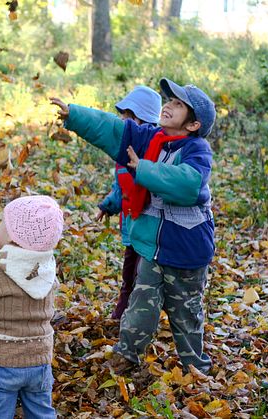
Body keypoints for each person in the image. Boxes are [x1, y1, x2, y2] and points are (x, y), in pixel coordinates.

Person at [50, 78, 216, 374]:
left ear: (193, 125)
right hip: (152, 250)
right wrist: (74, 115)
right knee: (141, 305)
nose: (168, 105)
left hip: (186, 253)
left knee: (185, 315)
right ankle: (126, 357)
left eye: (178, 104)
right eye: (169, 100)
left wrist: (144, 168)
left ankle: (197, 369)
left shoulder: (197, 151)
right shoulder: (149, 138)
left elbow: (188, 186)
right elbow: (115, 130)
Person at [0, 195, 64, 418]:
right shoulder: (47, 269)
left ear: (12, 235)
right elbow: (50, 308)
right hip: (40, 357)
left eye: (3, 223)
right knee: (41, 411)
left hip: (2, 360)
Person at [95, 85, 161, 320]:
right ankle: (122, 311)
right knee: (128, 274)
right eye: (123, 116)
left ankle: (141, 315)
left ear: (142, 121)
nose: (123, 121)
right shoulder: (122, 159)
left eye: (128, 117)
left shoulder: (155, 154)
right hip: (130, 228)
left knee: (145, 275)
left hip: (150, 232)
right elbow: (119, 189)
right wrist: (107, 205)